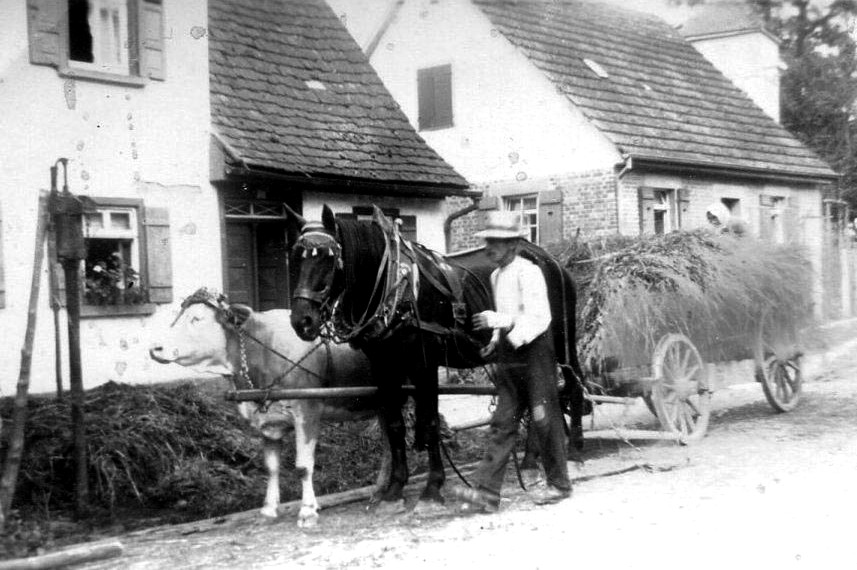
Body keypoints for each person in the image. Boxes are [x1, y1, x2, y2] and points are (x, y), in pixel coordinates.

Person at [449, 210, 572, 513]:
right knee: (502, 424)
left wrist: (497, 320)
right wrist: (494, 340)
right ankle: (487, 494)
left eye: (497, 242)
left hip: (535, 356)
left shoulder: (529, 272)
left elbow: (540, 317)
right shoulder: (495, 276)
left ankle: (559, 484)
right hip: (509, 359)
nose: (490, 247)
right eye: (488, 241)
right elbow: (504, 321)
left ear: (514, 244)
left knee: (544, 421)